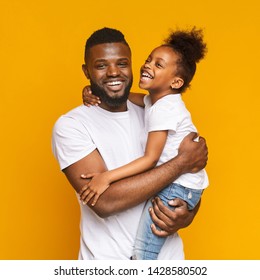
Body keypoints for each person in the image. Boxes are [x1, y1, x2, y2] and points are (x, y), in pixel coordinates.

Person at [52, 27, 208, 260]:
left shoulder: (152, 111)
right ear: (87, 71)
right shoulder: (72, 125)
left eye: (122, 64)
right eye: (101, 66)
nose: (114, 72)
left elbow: (186, 183)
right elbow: (104, 201)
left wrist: (188, 214)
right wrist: (182, 162)